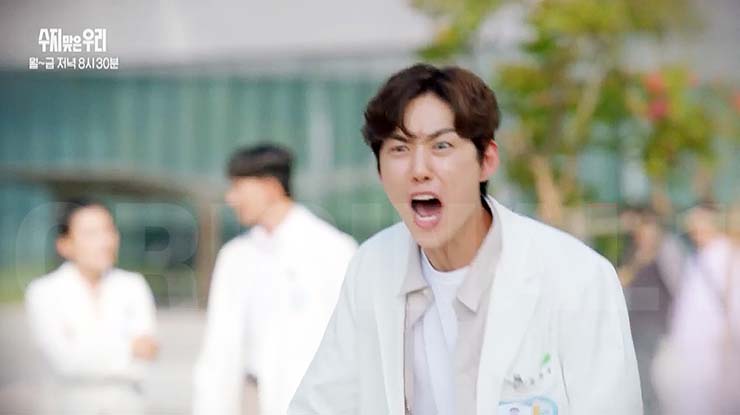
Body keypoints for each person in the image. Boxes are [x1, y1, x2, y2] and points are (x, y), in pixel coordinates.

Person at [289, 64, 642, 414]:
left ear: (486, 160)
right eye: (399, 149)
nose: (419, 169)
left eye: (441, 146)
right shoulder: (372, 267)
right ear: (380, 171)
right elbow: (319, 405)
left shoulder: (578, 278)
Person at [193, 144, 357, 415]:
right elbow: (218, 346)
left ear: (270, 187)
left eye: (238, 187)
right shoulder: (235, 256)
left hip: (316, 403)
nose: (231, 198)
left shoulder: (333, 250)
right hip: (252, 400)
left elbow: (352, 342)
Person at [25, 198, 158, 414]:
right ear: (65, 244)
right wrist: (129, 348)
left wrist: (85, 347)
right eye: (91, 234)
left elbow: (144, 362)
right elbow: (65, 363)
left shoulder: (133, 285)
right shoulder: (44, 292)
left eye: (108, 230)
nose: (105, 242)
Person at [653, 202, 740, 414]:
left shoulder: (728, 257)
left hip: (717, 358)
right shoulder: (698, 257)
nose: (694, 229)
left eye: (699, 222)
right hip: (695, 359)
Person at [617, 206, 685, 414]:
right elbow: (620, 282)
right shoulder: (632, 254)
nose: (641, 233)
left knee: (652, 385)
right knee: (640, 383)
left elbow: (680, 290)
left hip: (657, 332)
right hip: (635, 331)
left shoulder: (666, 252)